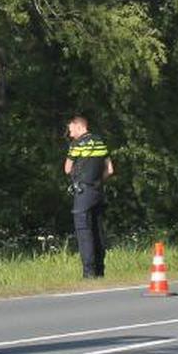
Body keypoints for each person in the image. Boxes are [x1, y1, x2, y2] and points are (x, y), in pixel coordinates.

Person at [63, 115, 114, 278]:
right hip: (98, 192)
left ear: (79, 127)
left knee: (84, 232)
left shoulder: (76, 144)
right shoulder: (100, 141)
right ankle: (100, 271)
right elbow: (110, 170)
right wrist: (98, 181)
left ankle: (89, 273)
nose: (70, 134)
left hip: (83, 193)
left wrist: (81, 179)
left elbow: (67, 169)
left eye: (71, 130)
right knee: (98, 231)